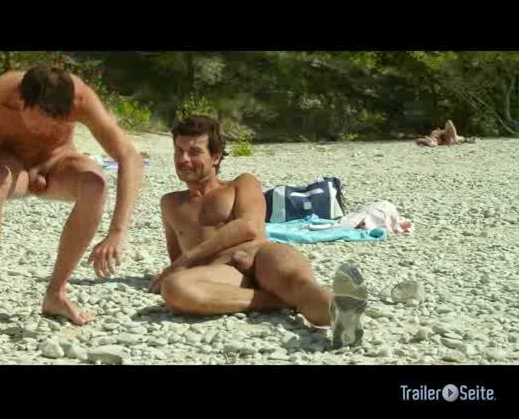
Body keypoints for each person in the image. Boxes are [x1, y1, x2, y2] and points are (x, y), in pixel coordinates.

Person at [0, 65, 143, 339]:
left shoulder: (80, 98)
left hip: (57, 164)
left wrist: (117, 231)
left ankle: (56, 294)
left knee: (94, 184)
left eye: (59, 120)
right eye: (44, 119)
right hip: (10, 165)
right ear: (20, 103)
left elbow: (129, 157)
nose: (52, 126)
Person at [148, 115, 368, 348]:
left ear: (215, 156)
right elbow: (177, 263)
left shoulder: (241, 184)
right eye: (179, 151)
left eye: (194, 152)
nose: (184, 159)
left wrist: (187, 258)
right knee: (174, 287)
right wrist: (177, 268)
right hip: (223, 273)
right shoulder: (170, 203)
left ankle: (344, 319)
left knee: (300, 284)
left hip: (261, 255)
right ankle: (280, 301)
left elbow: (248, 227)